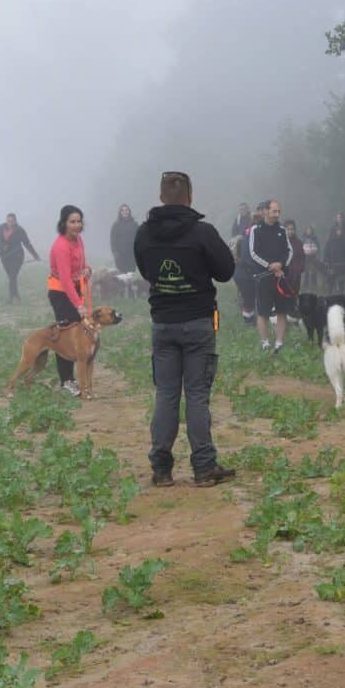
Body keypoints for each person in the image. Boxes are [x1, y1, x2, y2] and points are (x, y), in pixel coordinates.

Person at [134, 170, 237, 487]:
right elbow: (225, 271)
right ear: (190, 197)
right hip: (197, 324)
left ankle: (162, 469)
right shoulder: (203, 233)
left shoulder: (144, 234)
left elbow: (145, 270)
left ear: (161, 196)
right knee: (196, 396)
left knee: (165, 395)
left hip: (163, 324)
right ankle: (204, 468)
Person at [47, 205, 91, 395]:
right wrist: (78, 305)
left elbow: (82, 263)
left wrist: (88, 270)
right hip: (61, 293)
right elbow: (65, 279)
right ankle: (66, 381)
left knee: (79, 334)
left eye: (79, 221)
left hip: (76, 290)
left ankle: (75, 378)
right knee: (66, 336)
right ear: (64, 223)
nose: (77, 225)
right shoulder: (61, 245)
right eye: (72, 221)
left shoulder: (78, 239)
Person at [249, 199, 294, 353]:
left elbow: (289, 251)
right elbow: (253, 253)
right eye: (274, 211)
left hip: (280, 276)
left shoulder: (282, 230)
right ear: (266, 211)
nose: (277, 215)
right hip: (263, 276)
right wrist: (270, 266)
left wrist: (280, 265)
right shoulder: (256, 229)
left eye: (279, 212)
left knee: (282, 311)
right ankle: (265, 343)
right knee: (263, 312)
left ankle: (279, 343)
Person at [0, 212, 39, 303]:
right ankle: (16, 295)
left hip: (17, 256)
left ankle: (10, 298)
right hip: (5, 257)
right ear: (6, 221)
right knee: (11, 276)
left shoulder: (20, 230)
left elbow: (27, 243)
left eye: (12, 221)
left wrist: (35, 255)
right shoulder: (0, 228)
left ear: (15, 221)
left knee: (12, 275)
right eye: (8, 221)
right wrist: (1, 246)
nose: (10, 223)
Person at [233, 201, 264, 324]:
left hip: (246, 270)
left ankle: (251, 318)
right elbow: (247, 253)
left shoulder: (253, 230)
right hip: (244, 271)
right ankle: (249, 321)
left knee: (251, 296)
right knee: (249, 297)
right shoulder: (246, 229)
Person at [109, 204, 138, 274]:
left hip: (131, 258)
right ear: (120, 212)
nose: (125, 212)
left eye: (126, 210)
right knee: (121, 278)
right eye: (122, 210)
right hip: (120, 258)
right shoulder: (116, 225)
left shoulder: (134, 224)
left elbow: (138, 240)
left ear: (129, 212)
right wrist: (115, 254)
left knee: (130, 278)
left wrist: (137, 254)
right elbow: (113, 241)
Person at [282, 219, 305, 309]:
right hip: (283, 274)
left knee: (294, 295)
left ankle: (293, 313)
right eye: (288, 229)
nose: (290, 231)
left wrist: (299, 270)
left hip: (295, 275)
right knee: (282, 295)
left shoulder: (298, 243)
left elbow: (302, 258)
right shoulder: (280, 242)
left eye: (292, 229)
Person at [324, 221, 345, 293]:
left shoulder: (343, 241)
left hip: (341, 264)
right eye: (338, 230)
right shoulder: (330, 241)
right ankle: (329, 293)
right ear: (335, 231)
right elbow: (326, 252)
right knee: (331, 280)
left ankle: (340, 292)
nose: (339, 232)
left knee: (341, 280)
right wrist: (326, 261)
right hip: (332, 264)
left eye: (340, 230)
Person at [301, 226, 321, 291]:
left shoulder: (315, 238)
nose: (309, 231)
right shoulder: (303, 238)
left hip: (313, 256)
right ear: (306, 231)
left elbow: (318, 247)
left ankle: (314, 284)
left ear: (312, 231)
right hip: (306, 256)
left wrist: (318, 255)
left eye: (310, 230)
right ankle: (305, 284)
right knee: (306, 271)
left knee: (314, 270)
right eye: (307, 230)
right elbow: (301, 247)